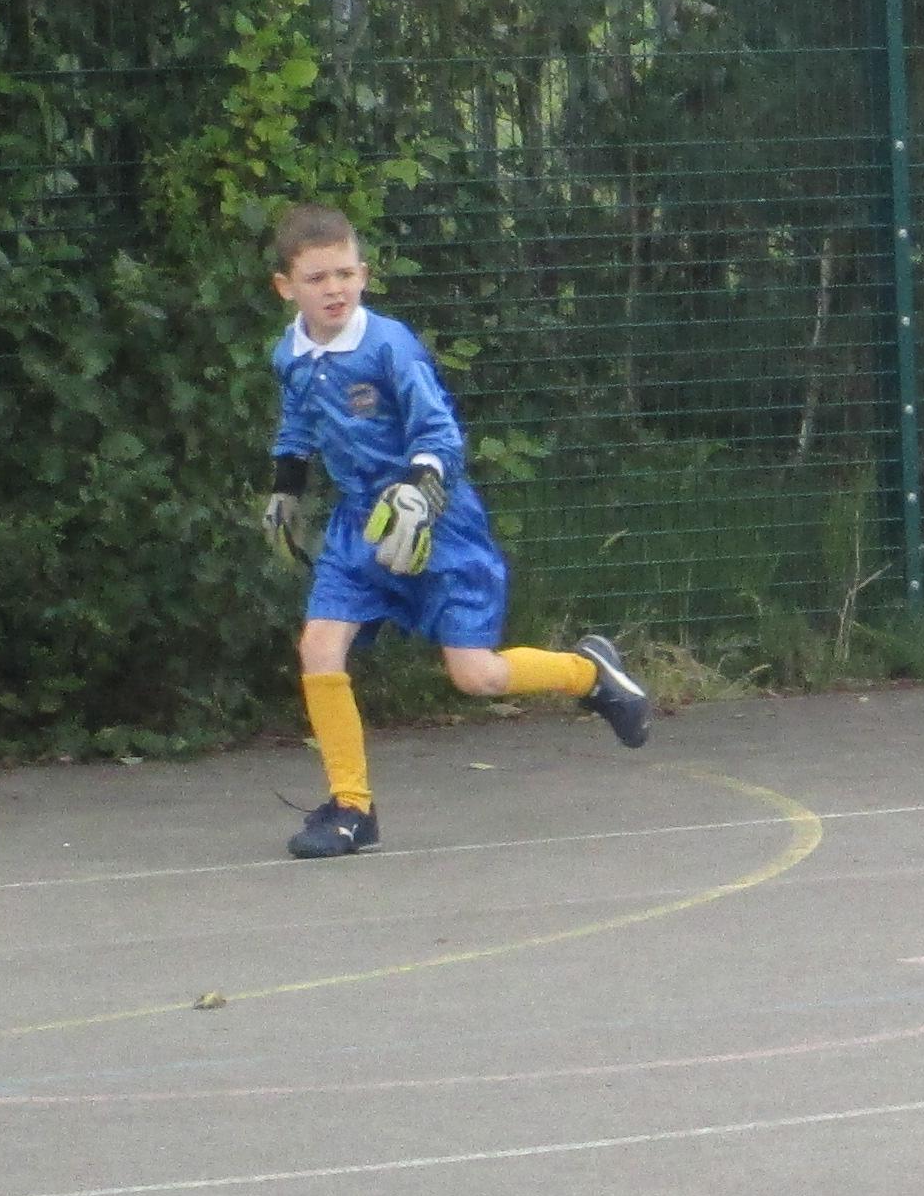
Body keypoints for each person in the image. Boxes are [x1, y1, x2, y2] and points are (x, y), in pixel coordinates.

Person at [258, 203, 647, 857]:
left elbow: (439, 432)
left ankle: (587, 674)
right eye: (317, 278)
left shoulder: (389, 345)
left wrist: (420, 491)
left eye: (345, 274)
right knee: (319, 647)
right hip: (358, 526)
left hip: (437, 522)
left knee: (476, 677)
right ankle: (352, 808)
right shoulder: (290, 354)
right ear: (285, 287)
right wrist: (286, 487)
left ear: (364, 274)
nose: (334, 289)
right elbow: (299, 421)